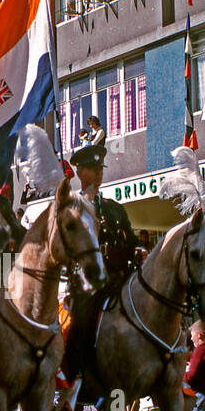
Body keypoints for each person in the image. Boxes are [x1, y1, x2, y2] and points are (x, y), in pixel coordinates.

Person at [61, 142, 139, 383]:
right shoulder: (71, 208)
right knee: (82, 318)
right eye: (92, 168)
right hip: (89, 284)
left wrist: (139, 249)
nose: (98, 173)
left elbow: (132, 239)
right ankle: (79, 373)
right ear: (78, 172)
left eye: (100, 169)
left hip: (120, 279)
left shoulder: (114, 209)